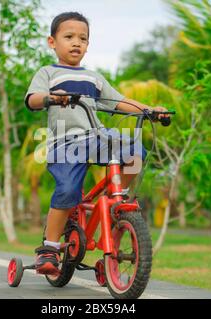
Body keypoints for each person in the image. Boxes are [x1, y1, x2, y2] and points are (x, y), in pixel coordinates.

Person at [25, 12, 168, 275]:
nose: (76, 43)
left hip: (97, 138)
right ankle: (49, 247)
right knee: (67, 191)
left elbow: (119, 101)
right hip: (64, 143)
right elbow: (33, 98)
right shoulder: (48, 72)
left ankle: (115, 199)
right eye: (68, 37)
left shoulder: (94, 78)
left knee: (135, 151)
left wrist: (149, 109)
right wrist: (51, 98)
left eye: (82, 38)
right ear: (52, 42)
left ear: (88, 45)